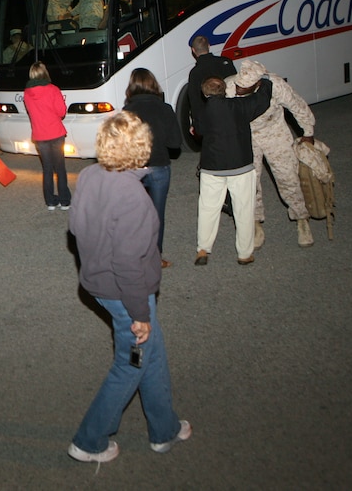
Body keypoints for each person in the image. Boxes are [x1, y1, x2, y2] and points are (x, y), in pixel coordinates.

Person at [66, 111, 191, 463]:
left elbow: (75, 227)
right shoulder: (134, 197)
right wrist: (138, 314)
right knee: (131, 363)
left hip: (96, 282)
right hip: (124, 294)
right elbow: (128, 266)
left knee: (152, 352)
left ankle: (163, 429)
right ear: (141, 149)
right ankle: (89, 441)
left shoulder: (89, 174)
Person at [227, 59, 317, 248]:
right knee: (250, 181)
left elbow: (297, 106)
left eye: (245, 87)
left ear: (258, 84)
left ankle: (301, 218)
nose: (239, 90)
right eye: (239, 85)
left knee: (288, 176)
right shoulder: (230, 86)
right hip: (247, 136)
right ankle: (255, 221)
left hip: (274, 132)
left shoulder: (276, 85)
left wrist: (308, 132)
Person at [193, 76, 273, 266]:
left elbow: (199, 129)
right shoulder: (239, 107)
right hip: (241, 165)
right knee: (244, 209)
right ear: (225, 90)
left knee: (208, 208)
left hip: (212, 166)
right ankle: (244, 253)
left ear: (204, 94)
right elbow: (262, 100)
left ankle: (203, 248)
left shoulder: (201, 111)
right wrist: (266, 82)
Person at [122, 68, 182, 268]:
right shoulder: (165, 109)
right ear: (153, 85)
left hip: (133, 169)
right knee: (157, 215)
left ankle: (133, 255)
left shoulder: (127, 113)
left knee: (134, 214)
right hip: (159, 167)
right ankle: (155, 257)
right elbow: (175, 143)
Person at [23, 62, 71, 210]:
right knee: (60, 168)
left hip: (39, 135)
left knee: (47, 169)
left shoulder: (26, 93)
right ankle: (64, 200)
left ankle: (50, 201)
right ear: (45, 73)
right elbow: (62, 112)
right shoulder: (53, 89)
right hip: (56, 133)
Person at [187, 34, 237, 138]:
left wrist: (196, 125)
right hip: (231, 114)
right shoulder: (226, 62)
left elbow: (195, 101)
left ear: (193, 50)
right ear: (209, 46)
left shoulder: (195, 73)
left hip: (212, 121)